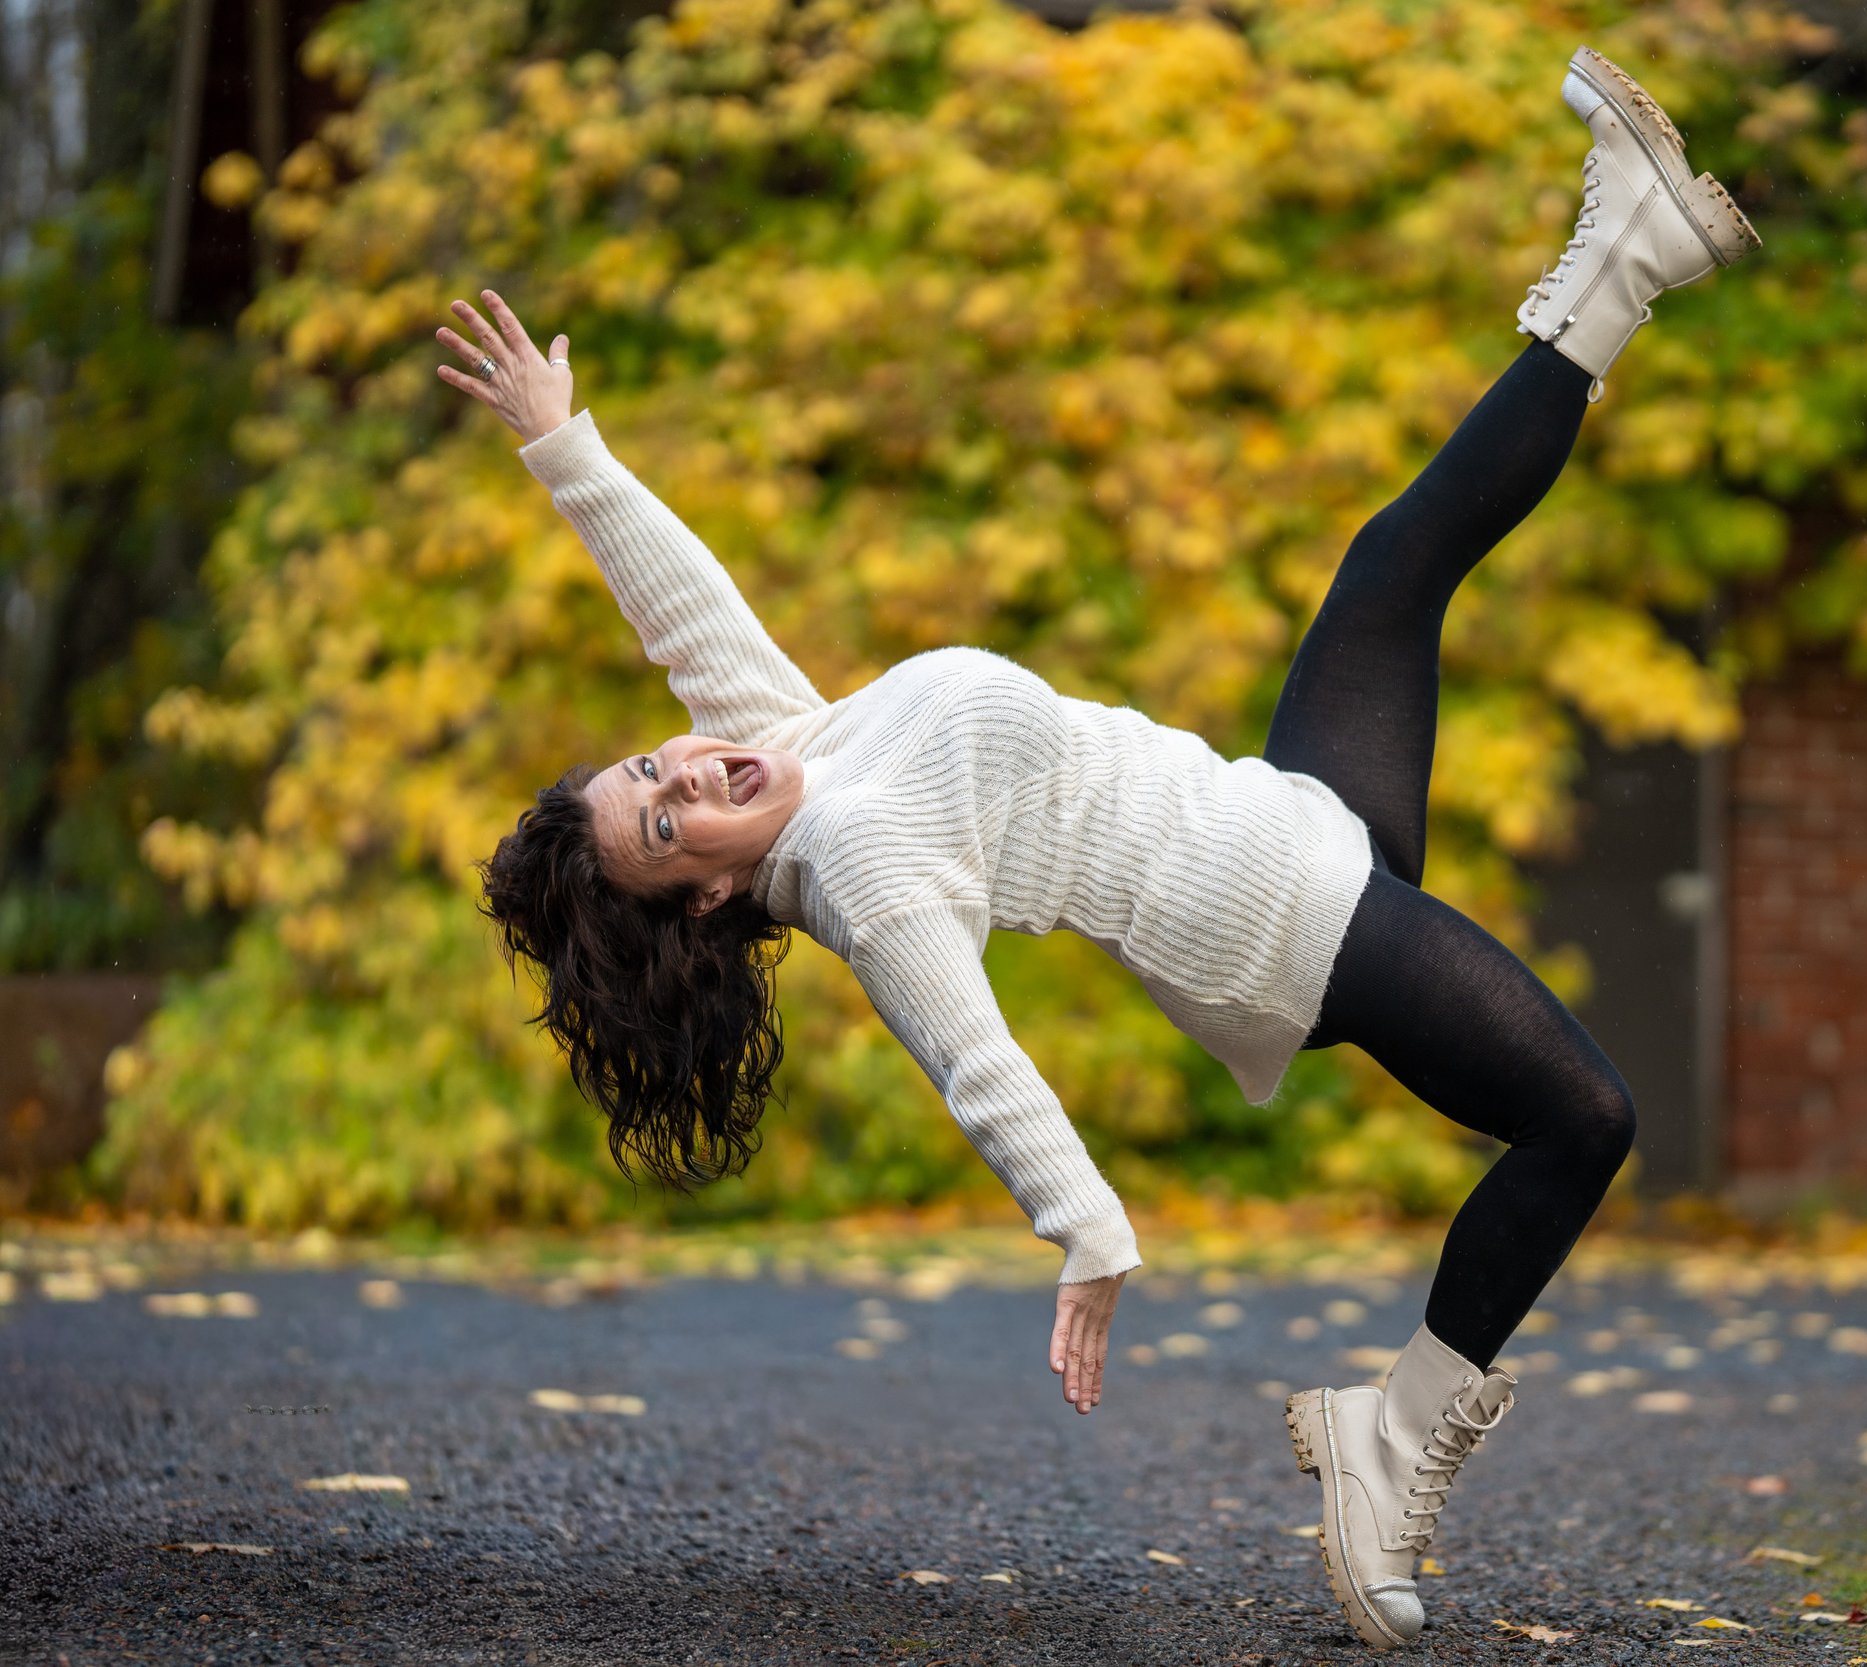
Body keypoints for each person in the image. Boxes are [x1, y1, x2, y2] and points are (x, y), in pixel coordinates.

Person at [445, 44, 1755, 1650]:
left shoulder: (795, 746)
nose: (693, 772)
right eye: (668, 820)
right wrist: (1090, 1229)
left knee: (1398, 560)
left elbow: (685, 615)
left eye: (658, 764)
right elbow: (971, 1053)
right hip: (1275, 917)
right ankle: (1389, 1445)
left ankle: (1630, 254)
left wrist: (564, 450)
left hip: (1279, 818)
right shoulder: (853, 857)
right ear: (710, 889)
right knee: (1585, 1116)